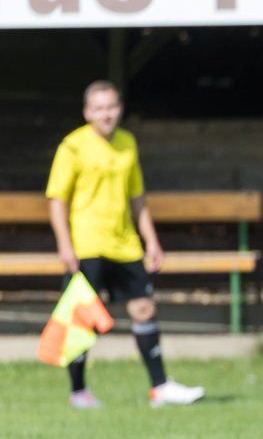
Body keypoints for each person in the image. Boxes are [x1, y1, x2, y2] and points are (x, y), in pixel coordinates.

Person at [47, 80, 206, 409]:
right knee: (83, 320)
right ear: (87, 112)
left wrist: (152, 240)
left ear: (120, 110)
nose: (106, 114)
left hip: (125, 244)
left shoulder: (127, 143)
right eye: (99, 108)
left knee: (144, 308)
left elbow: (137, 198)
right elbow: (57, 199)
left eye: (112, 107)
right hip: (87, 245)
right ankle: (79, 391)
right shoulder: (72, 147)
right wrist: (65, 244)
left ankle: (160, 387)